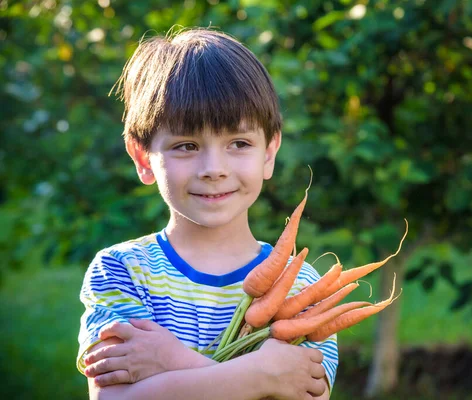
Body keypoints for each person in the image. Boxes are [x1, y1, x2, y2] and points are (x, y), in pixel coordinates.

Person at [76, 27, 338, 400]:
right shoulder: (122, 270)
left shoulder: (301, 286)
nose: (213, 168)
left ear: (269, 152)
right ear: (142, 158)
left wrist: (171, 360)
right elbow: (113, 397)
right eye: (186, 145)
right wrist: (261, 377)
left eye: (239, 143)